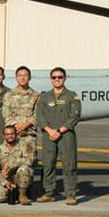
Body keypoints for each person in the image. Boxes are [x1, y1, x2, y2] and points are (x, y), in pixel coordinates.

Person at [35, 67, 82, 205]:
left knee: (69, 164)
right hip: (48, 134)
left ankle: (71, 195)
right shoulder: (44, 97)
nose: (57, 80)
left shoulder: (72, 96)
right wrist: (49, 130)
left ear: (65, 78)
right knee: (48, 164)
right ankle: (49, 192)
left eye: (60, 77)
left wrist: (60, 131)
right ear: (50, 79)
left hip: (66, 135)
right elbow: (39, 115)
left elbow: (75, 115)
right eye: (54, 77)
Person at [0, 66, 39, 161]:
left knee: (27, 165)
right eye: (20, 75)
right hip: (12, 135)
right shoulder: (9, 94)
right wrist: (16, 125)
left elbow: (37, 114)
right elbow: (5, 112)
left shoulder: (36, 95)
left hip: (28, 135)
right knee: (10, 164)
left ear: (29, 78)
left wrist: (25, 125)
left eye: (25, 75)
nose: (22, 78)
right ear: (16, 77)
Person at [0, 125, 34, 205]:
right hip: (6, 179)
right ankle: (13, 192)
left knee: (25, 168)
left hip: (19, 177)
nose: (10, 136)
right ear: (4, 136)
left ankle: (22, 194)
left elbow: (30, 160)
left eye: (12, 133)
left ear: (16, 134)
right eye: (7, 134)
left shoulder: (24, 145)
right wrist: (5, 183)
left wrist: (10, 165)